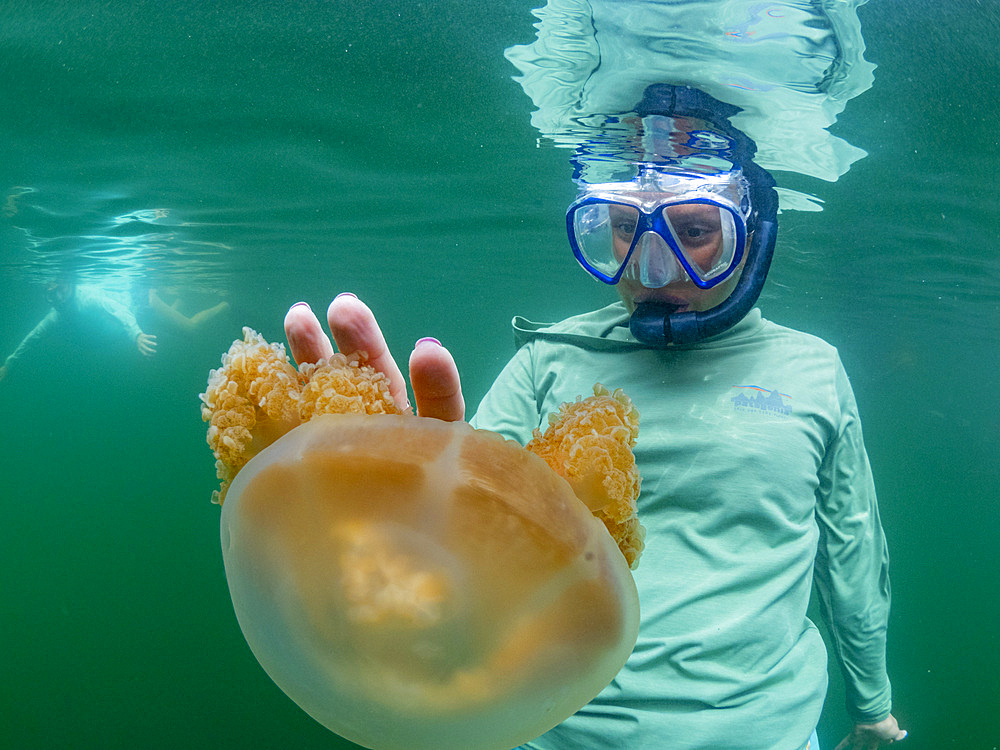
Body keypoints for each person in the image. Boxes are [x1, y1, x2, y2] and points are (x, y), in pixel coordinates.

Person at [281, 85, 907, 750]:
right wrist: (382, 497)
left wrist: (871, 700)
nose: (652, 265)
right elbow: (450, 539)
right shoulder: (547, 360)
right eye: (624, 230)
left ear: (749, 230)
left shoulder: (813, 370)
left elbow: (851, 554)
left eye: (693, 231)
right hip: (558, 732)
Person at [0, 280, 157, 385]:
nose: (59, 299)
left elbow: (118, 309)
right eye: (51, 295)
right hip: (100, 340)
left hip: (124, 321)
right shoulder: (54, 317)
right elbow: (31, 339)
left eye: (62, 290)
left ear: (70, 285)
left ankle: (148, 293)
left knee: (142, 306)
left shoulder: (87, 298)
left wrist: (137, 335)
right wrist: (9, 365)